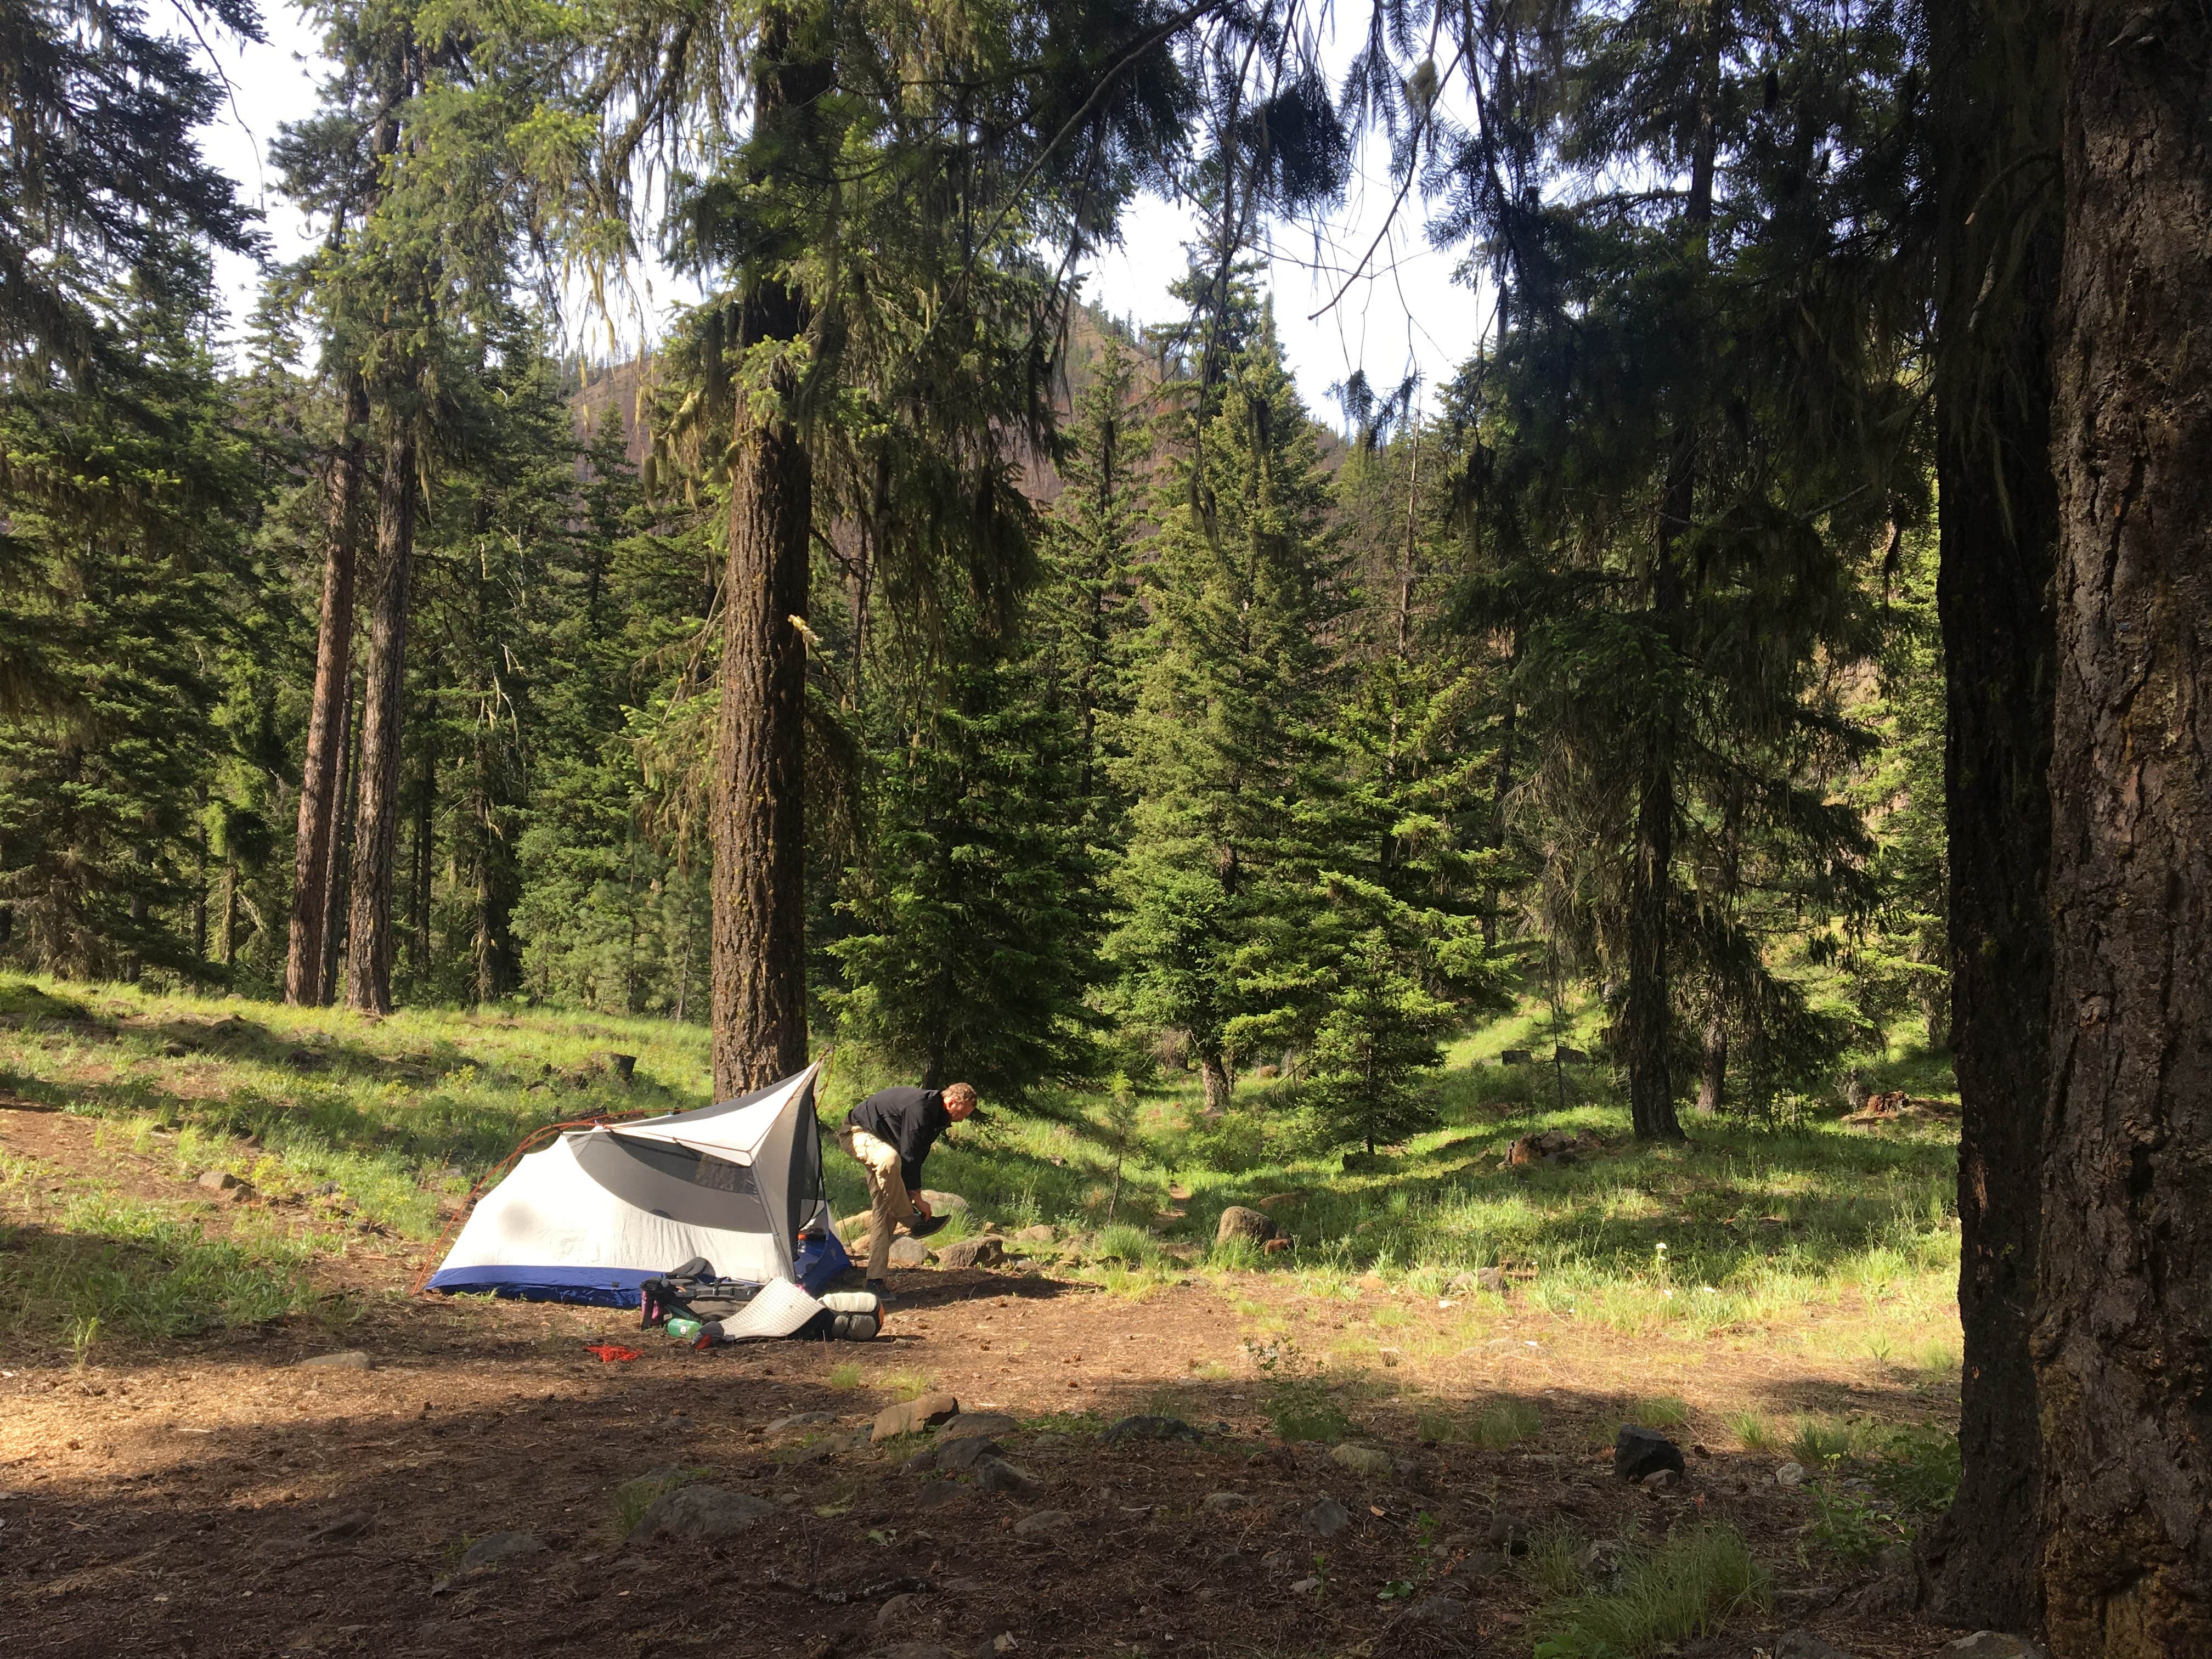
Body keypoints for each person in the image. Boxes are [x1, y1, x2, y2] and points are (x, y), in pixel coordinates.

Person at [838, 1081, 980, 1300]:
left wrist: (912, 1194)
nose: (962, 1119)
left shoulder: (936, 1115)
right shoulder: (921, 1109)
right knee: (889, 1160)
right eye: (963, 1114)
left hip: (887, 1146)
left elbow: (916, 1155)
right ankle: (912, 1221)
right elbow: (910, 1156)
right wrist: (918, 1200)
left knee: (885, 1213)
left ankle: (875, 1282)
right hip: (856, 1132)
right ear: (952, 1102)